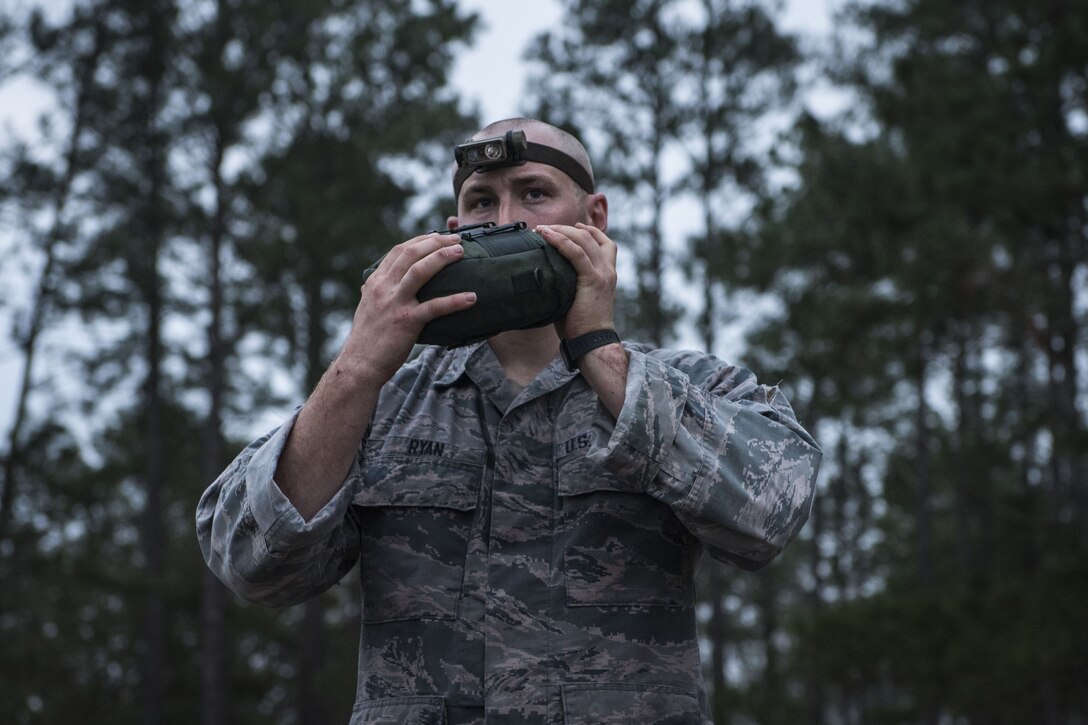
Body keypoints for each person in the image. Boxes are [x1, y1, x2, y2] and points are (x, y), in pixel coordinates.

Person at [196, 118, 821, 725]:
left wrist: (600, 350)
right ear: (452, 231)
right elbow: (252, 563)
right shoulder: (383, 404)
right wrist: (357, 367)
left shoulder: (692, 387)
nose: (506, 220)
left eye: (535, 193)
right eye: (481, 203)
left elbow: (771, 511)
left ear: (594, 218)